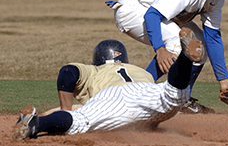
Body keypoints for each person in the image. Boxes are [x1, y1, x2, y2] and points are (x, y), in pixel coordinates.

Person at [13, 28, 204, 140]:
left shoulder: (97, 70)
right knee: (174, 94)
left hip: (113, 99)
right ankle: (185, 58)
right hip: (147, 90)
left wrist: (67, 110)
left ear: (98, 59)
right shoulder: (139, 71)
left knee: (80, 121)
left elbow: (68, 72)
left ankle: (35, 124)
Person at [106, 0, 228, 102]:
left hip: (161, 14)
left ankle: (183, 100)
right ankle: (136, 95)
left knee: (198, 47)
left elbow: (212, 36)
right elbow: (152, 15)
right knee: (178, 44)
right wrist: (160, 49)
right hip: (134, 9)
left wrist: (224, 80)